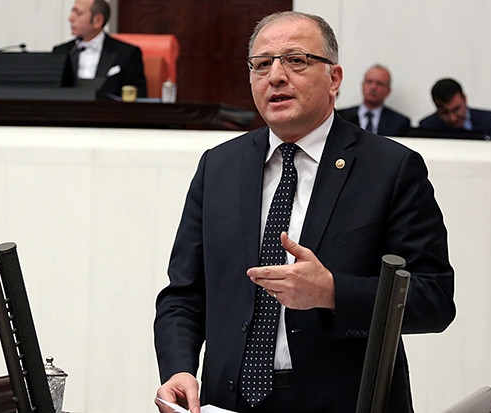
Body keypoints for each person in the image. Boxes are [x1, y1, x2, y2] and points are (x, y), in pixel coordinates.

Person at [154, 11, 455, 413]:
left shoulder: (391, 168)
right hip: (228, 401)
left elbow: (434, 299)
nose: (276, 76)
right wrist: (178, 368)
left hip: (343, 401)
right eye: (262, 64)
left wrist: (332, 292)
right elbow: (184, 294)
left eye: (296, 60)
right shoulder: (219, 167)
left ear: (334, 78)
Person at [53, 0, 147, 98]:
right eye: (72, 12)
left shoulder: (127, 54)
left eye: (78, 13)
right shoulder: (60, 52)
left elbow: (138, 97)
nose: (70, 18)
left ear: (97, 21)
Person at [418, 78, 491, 141]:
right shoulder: (426, 127)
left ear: (464, 99)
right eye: (444, 113)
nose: (452, 118)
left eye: (457, 109)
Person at [338, 64, 411, 136]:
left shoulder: (399, 122)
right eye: (369, 82)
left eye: (379, 84)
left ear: (388, 91)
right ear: (363, 85)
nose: (373, 87)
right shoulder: (341, 117)